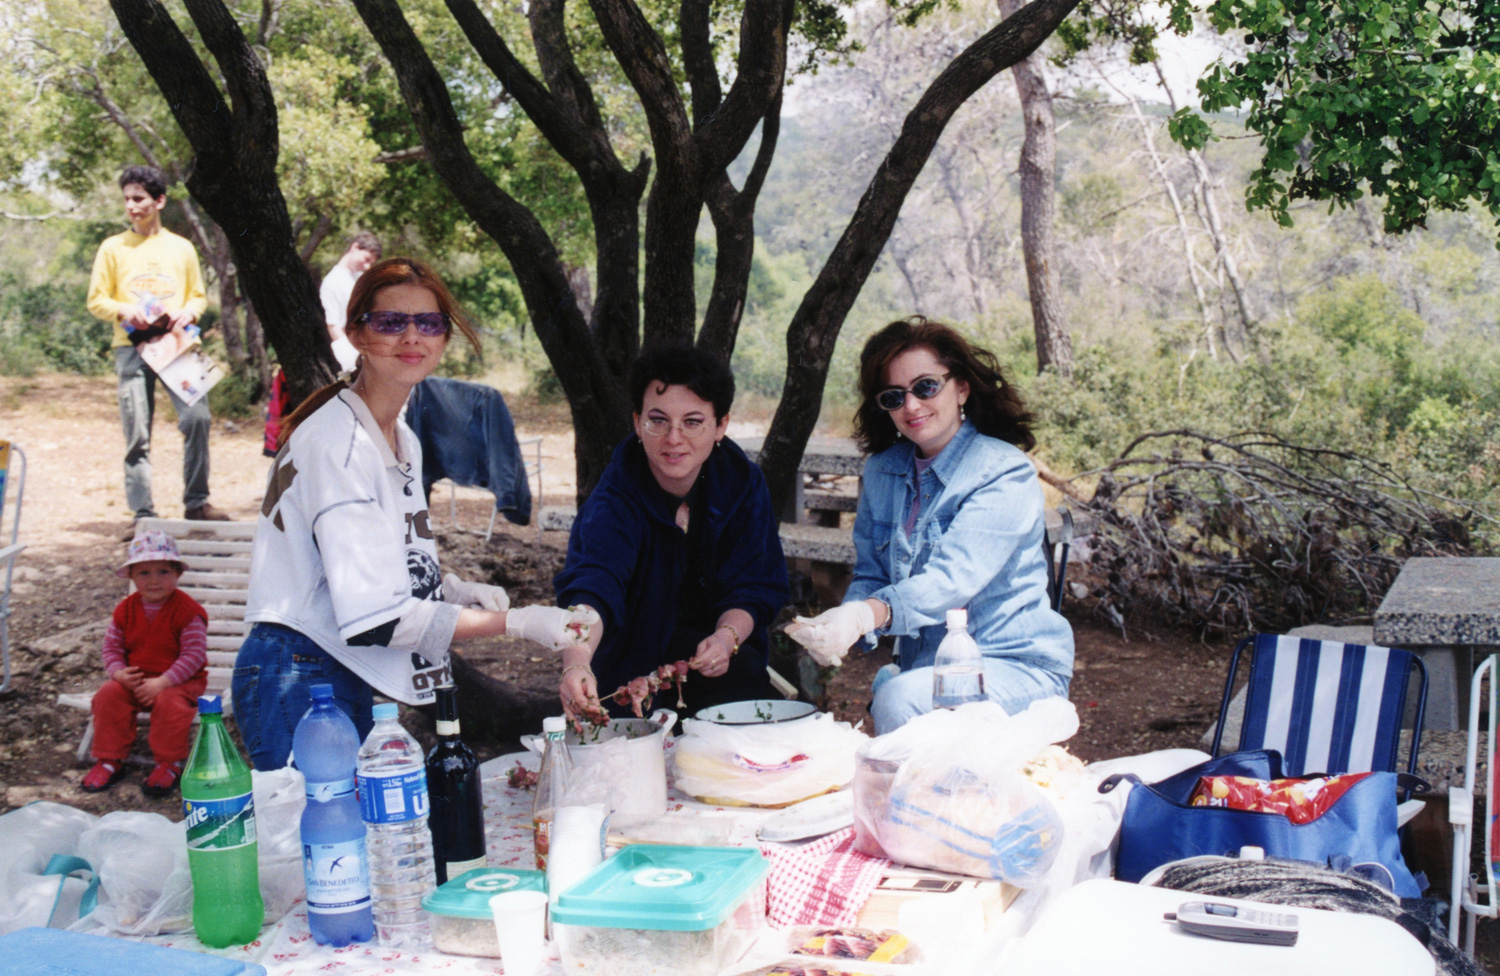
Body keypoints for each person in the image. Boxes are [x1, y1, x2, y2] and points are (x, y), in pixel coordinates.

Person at [234, 257, 597, 769]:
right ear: (357, 334)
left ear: (445, 337)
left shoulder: (400, 436)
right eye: (390, 322)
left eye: (429, 323)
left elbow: (369, 565)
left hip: (340, 663)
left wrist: (446, 590)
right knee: (320, 818)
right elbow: (377, 619)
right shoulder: (341, 445)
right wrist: (516, 622)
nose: (412, 337)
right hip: (299, 670)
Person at [788, 317, 1073, 735]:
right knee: (897, 694)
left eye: (925, 387)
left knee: (899, 699)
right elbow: (871, 574)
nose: (911, 406)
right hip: (926, 669)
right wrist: (842, 622)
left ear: (962, 388)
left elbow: (951, 580)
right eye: (893, 396)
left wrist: (867, 615)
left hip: (1014, 666)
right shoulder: (882, 471)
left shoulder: (1002, 472)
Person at [554, 345, 790, 723]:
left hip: (719, 663)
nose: (673, 438)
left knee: (743, 682)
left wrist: (726, 638)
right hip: (629, 668)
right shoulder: (615, 496)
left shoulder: (742, 483)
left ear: (721, 425)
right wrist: (576, 663)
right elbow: (593, 586)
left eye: (692, 422)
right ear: (637, 423)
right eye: (658, 420)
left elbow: (755, 585)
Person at [87, 165, 229, 533]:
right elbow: (96, 300)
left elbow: (198, 296)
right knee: (137, 433)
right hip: (131, 348)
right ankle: (143, 515)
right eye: (127, 199)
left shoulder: (181, 248)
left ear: (160, 201)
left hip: (177, 344)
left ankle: (197, 503)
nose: (131, 206)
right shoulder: (112, 248)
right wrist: (124, 310)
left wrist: (188, 312)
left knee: (198, 419)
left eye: (139, 199)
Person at [81, 530, 208, 798]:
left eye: (163, 571)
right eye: (144, 573)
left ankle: (169, 762)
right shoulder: (125, 609)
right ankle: (109, 759)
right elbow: (111, 648)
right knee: (108, 695)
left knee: (171, 705)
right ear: (131, 576)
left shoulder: (188, 611)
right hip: (136, 681)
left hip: (179, 683)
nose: (154, 580)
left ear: (178, 574)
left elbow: (193, 655)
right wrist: (119, 673)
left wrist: (162, 682)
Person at [320, 232, 381, 372]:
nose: (367, 266)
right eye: (366, 259)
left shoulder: (361, 280)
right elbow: (333, 326)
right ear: (355, 247)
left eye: (371, 263)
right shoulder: (333, 282)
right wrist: (352, 357)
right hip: (349, 353)